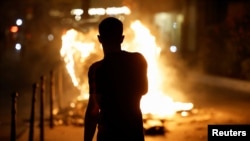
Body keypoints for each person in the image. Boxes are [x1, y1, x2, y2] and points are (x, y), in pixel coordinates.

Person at [84, 17, 148, 141]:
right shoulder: (138, 60)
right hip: (133, 133)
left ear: (100, 39)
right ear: (122, 38)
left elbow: (93, 110)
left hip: (108, 135)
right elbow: (144, 90)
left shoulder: (97, 69)